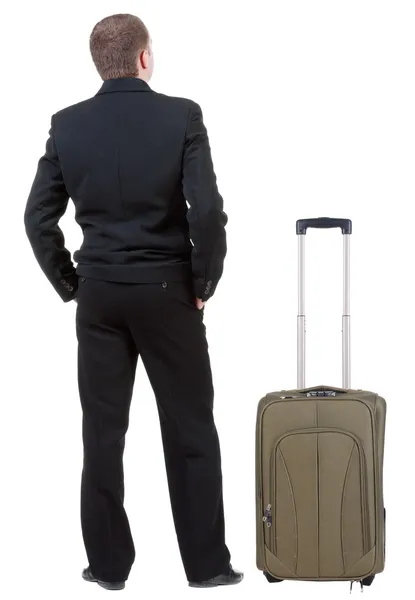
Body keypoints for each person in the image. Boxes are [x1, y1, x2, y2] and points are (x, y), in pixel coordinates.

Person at [24, 12, 242, 591]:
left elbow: (35, 218)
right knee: (191, 430)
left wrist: (73, 284)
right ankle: (207, 567)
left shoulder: (67, 125)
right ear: (144, 58)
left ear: (101, 64)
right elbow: (208, 212)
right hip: (169, 292)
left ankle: (108, 569)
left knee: (101, 434)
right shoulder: (181, 116)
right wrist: (204, 282)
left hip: (99, 298)